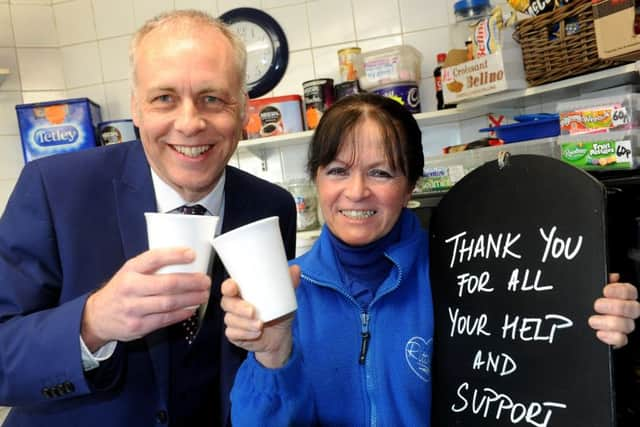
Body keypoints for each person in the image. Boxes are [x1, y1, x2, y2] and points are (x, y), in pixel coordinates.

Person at [221, 93, 640, 425]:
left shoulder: (466, 272)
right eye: (337, 170)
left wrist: (591, 327)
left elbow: (531, 367)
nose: (356, 191)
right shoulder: (290, 293)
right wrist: (273, 356)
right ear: (316, 178)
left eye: (381, 172)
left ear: (411, 187)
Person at [0, 10, 296, 427]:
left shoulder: (271, 206)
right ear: (137, 108)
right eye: (164, 98)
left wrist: (274, 349)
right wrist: (92, 322)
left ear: (244, 109)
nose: (190, 123)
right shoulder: (55, 189)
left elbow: (256, 362)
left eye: (213, 98)